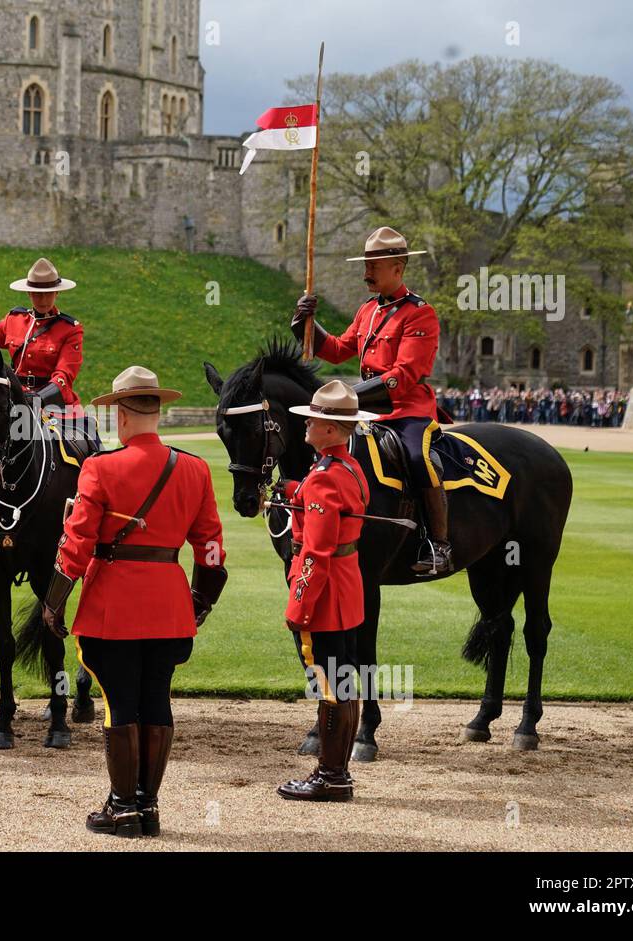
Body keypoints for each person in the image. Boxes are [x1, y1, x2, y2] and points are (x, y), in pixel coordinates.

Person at [41, 366, 228, 838]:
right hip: (169, 602)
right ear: (156, 412)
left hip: (114, 603)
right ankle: (148, 806)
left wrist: (53, 603)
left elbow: (77, 545)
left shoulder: (99, 467)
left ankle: (123, 807)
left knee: (119, 704)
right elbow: (210, 548)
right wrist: (199, 604)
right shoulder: (194, 468)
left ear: (121, 415)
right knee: (155, 699)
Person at [291, 226, 452, 574]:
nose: (366, 273)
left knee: (417, 457)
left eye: (374, 266)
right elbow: (336, 350)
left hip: (406, 409)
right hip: (366, 409)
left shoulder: (420, 313)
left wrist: (348, 398)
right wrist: (306, 325)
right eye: (366, 264)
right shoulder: (368, 310)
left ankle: (439, 544)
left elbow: (403, 376)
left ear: (398, 268)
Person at [0, 257, 99, 555]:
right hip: (12, 404)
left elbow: (64, 377)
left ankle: (90, 519)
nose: (42, 297)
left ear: (56, 293)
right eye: (36, 292)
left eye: (47, 292)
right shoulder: (14, 321)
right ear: (29, 293)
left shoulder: (70, 329)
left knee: (89, 447)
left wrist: (35, 402)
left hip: (56, 406)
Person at [275, 381, 377, 802]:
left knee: (329, 685)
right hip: (347, 588)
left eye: (314, 419)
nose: (307, 423)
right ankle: (336, 772)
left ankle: (331, 776)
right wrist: (293, 493)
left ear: (333, 430)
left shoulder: (323, 480)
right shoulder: (346, 468)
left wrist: (298, 605)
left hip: (325, 592)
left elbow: (316, 552)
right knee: (343, 682)